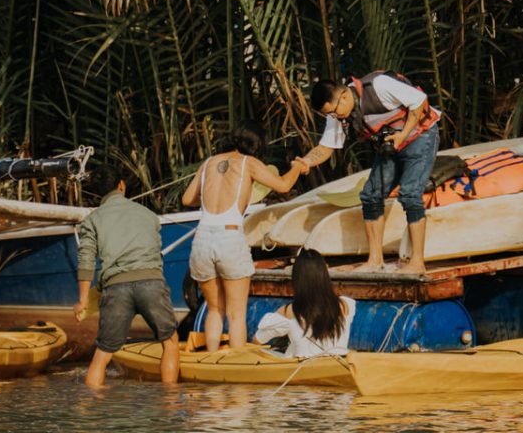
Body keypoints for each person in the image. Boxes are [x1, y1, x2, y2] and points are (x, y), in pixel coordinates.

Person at [294, 70, 441, 274]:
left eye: (335, 111)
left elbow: (418, 101)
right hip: (390, 144)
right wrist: (306, 161)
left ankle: (417, 262)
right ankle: (375, 260)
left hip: (420, 135)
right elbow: (326, 147)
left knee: (409, 194)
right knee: (371, 195)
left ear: (344, 95)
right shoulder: (337, 113)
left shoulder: (379, 86)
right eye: (330, 115)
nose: (335, 117)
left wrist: (403, 134)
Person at [179, 121, 302, 353]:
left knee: (215, 309)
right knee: (236, 314)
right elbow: (284, 185)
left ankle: (211, 362)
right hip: (229, 236)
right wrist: (297, 167)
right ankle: (236, 369)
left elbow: (187, 199)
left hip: (203, 238)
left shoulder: (208, 163)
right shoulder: (249, 163)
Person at [72, 162, 179, 387]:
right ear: (121, 185)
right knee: (170, 342)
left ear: (98, 193)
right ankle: (170, 405)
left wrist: (82, 300)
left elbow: (86, 260)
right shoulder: (148, 215)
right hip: (151, 283)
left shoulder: (93, 220)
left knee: (102, 353)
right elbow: (156, 252)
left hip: (116, 287)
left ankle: (90, 410)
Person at [255, 249, 354, 358]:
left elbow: (257, 340)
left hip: (301, 369)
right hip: (337, 365)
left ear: (297, 279)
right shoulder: (346, 305)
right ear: (324, 275)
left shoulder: (289, 311)